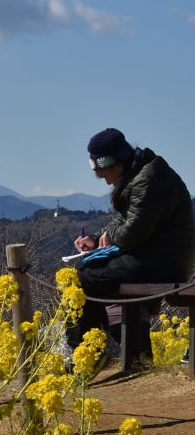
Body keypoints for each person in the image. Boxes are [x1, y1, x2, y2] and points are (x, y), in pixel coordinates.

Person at [65, 128, 195, 366]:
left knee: (83, 277)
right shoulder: (142, 173)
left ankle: (87, 354)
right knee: (84, 272)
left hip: (163, 263)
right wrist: (96, 238)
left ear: (117, 164)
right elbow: (122, 224)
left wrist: (107, 236)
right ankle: (114, 354)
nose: (105, 180)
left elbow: (132, 232)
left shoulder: (148, 179)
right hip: (155, 257)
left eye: (104, 173)